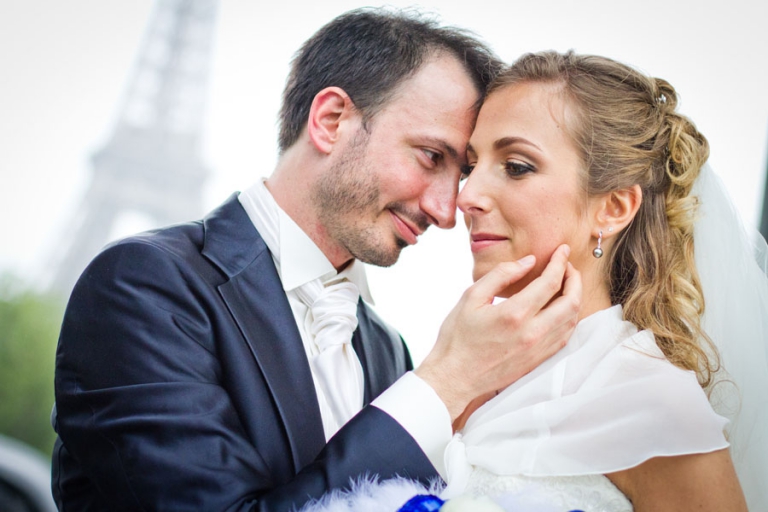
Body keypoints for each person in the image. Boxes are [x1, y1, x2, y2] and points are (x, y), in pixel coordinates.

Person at [51, 10, 582, 512]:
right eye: (430, 157)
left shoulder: (384, 348)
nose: (446, 211)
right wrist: (447, 380)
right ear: (331, 120)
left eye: (459, 175)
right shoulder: (141, 288)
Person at [300, 51, 768, 511]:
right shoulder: (455, 374)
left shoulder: (654, 403)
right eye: (471, 167)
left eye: (517, 166)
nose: (466, 197)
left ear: (614, 208)